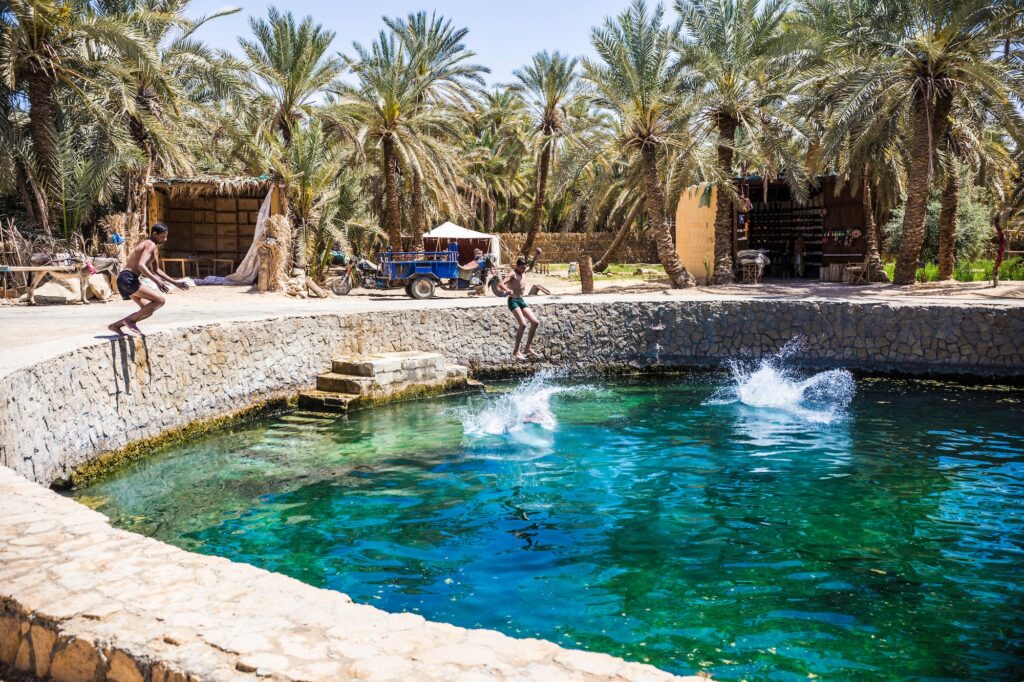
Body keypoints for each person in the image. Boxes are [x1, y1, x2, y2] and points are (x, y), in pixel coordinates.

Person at [108, 224, 188, 336]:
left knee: (147, 310)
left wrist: (175, 282)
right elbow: (141, 265)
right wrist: (157, 281)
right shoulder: (150, 245)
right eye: (163, 236)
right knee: (160, 300)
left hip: (125, 279)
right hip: (128, 278)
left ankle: (115, 326)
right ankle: (130, 321)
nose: (165, 239)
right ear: (154, 234)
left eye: (166, 236)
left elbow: (157, 270)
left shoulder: (152, 247)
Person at [497, 248, 542, 361]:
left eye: (524, 268)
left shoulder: (524, 269)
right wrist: (507, 290)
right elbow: (501, 283)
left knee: (535, 322)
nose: (523, 270)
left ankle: (527, 347)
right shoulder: (512, 273)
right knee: (523, 324)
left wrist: (537, 255)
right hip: (513, 301)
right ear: (517, 266)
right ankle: (516, 351)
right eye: (522, 267)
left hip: (521, 300)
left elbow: (531, 264)